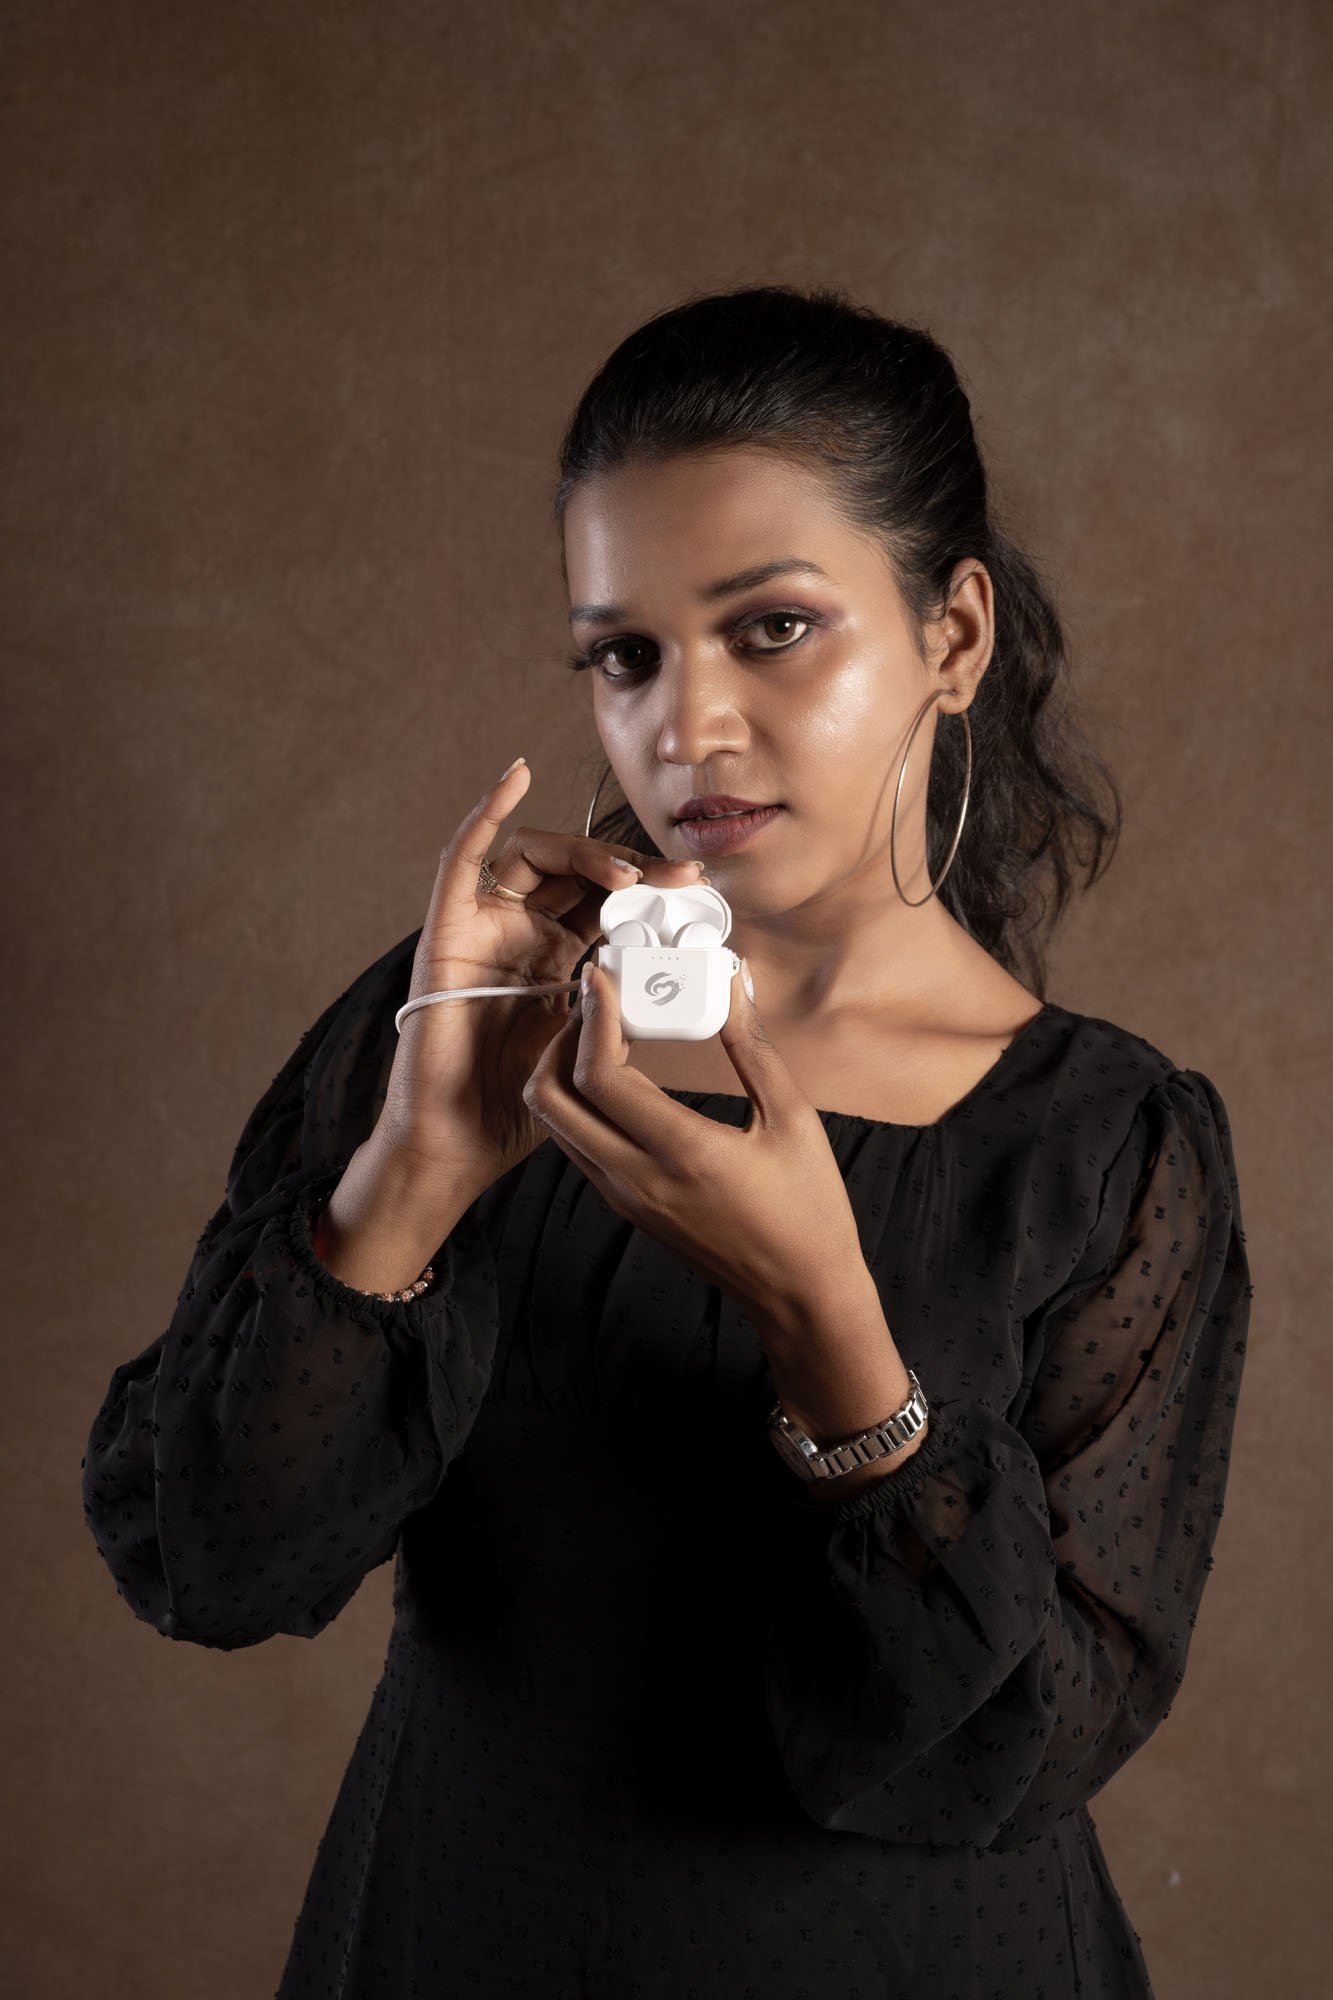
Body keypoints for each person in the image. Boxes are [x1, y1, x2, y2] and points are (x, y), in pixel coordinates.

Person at [81, 284, 1252, 1999]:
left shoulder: (1103, 1150)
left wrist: (826, 1317)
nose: (683, 727)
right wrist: (413, 1175)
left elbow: (1010, 1759)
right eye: (623, 655)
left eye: (770, 628)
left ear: (951, 635)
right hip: (455, 1933)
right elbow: (209, 1560)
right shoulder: (461, 1020)